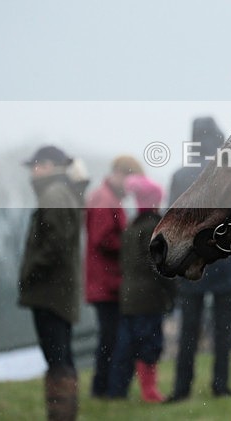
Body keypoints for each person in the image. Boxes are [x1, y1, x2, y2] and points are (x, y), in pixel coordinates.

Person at [169, 117, 231, 401]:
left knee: (189, 329)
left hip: (191, 262)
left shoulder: (180, 176)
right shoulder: (227, 172)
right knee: (223, 329)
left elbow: (171, 221)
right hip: (223, 260)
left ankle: (181, 388)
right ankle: (220, 386)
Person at [18, 145, 82, 420]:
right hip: (58, 290)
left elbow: (55, 244)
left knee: (57, 359)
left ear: (48, 166)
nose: (33, 171)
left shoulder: (54, 194)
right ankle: (63, 413)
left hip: (50, 291)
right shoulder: (61, 192)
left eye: (36, 164)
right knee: (61, 357)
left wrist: (30, 271)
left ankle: (61, 415)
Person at [107, 174, 175, 402]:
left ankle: (116, 391)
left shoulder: (130, 227)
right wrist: (173, 291)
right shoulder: (154, 228)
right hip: (149, 297)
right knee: (149, 343)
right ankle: (149, 391)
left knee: (126, 344)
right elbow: (160, 265)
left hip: (128, 296)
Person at [84, 155, 144, 398]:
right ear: (120, 174)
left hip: (105, 281)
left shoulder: (106, 197)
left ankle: (106, 388)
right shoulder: (104, 199)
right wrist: (131, 245)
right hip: (106, 283)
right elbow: (102, 239)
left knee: (110, 337)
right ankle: (104, 389)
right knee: (112, 338)